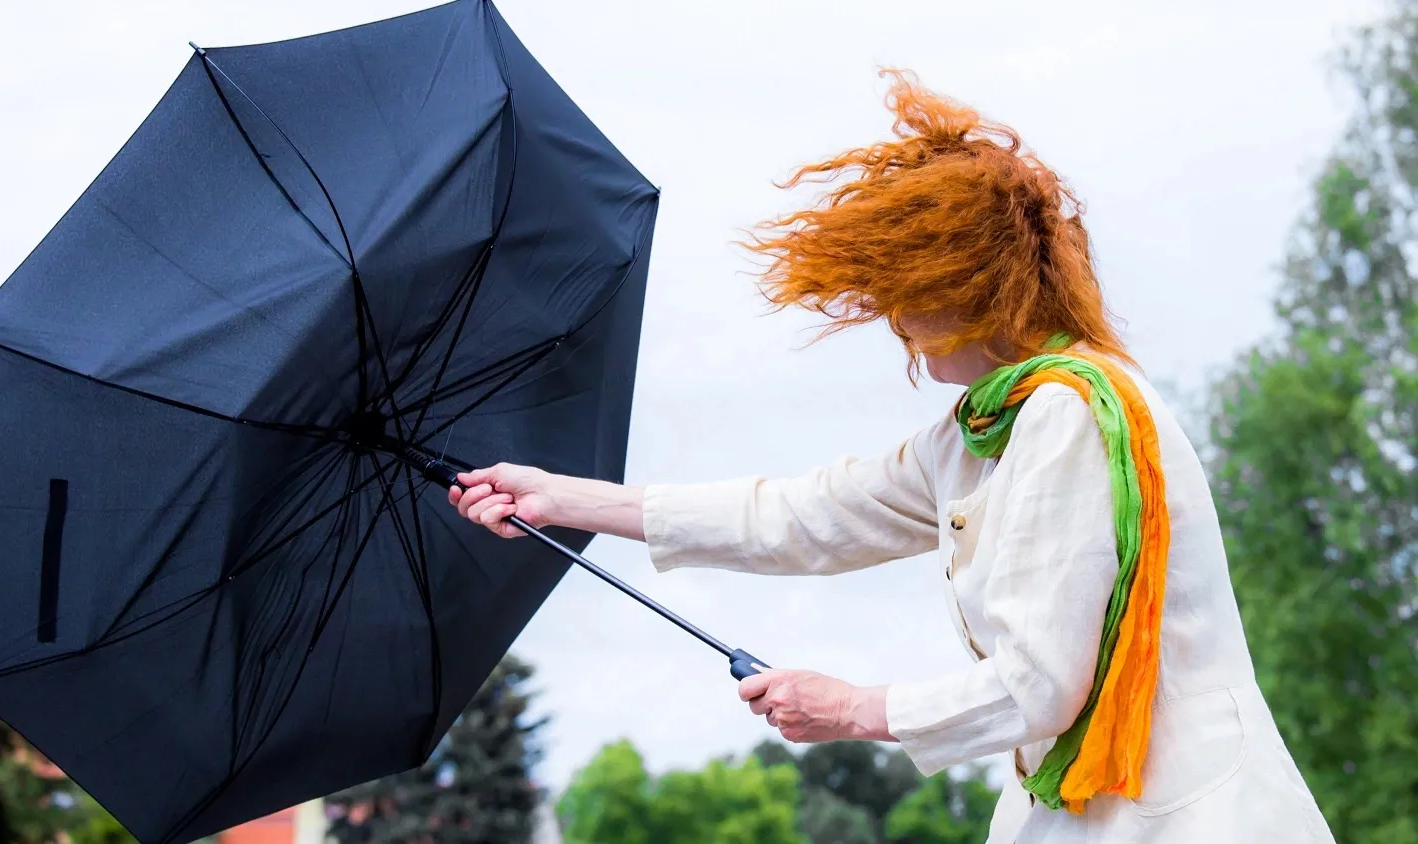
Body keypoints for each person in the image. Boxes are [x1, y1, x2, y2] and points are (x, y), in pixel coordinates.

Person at [446, 71, 1334, 843]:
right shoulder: (984, 431)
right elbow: (799, 515)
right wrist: (566, 499)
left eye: (904, 291)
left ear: (969, 283)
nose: (892, 319)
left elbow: (1040, 686)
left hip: (1185, 818)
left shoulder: (1067, 413)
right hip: (1087, 812)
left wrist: (854, 710)